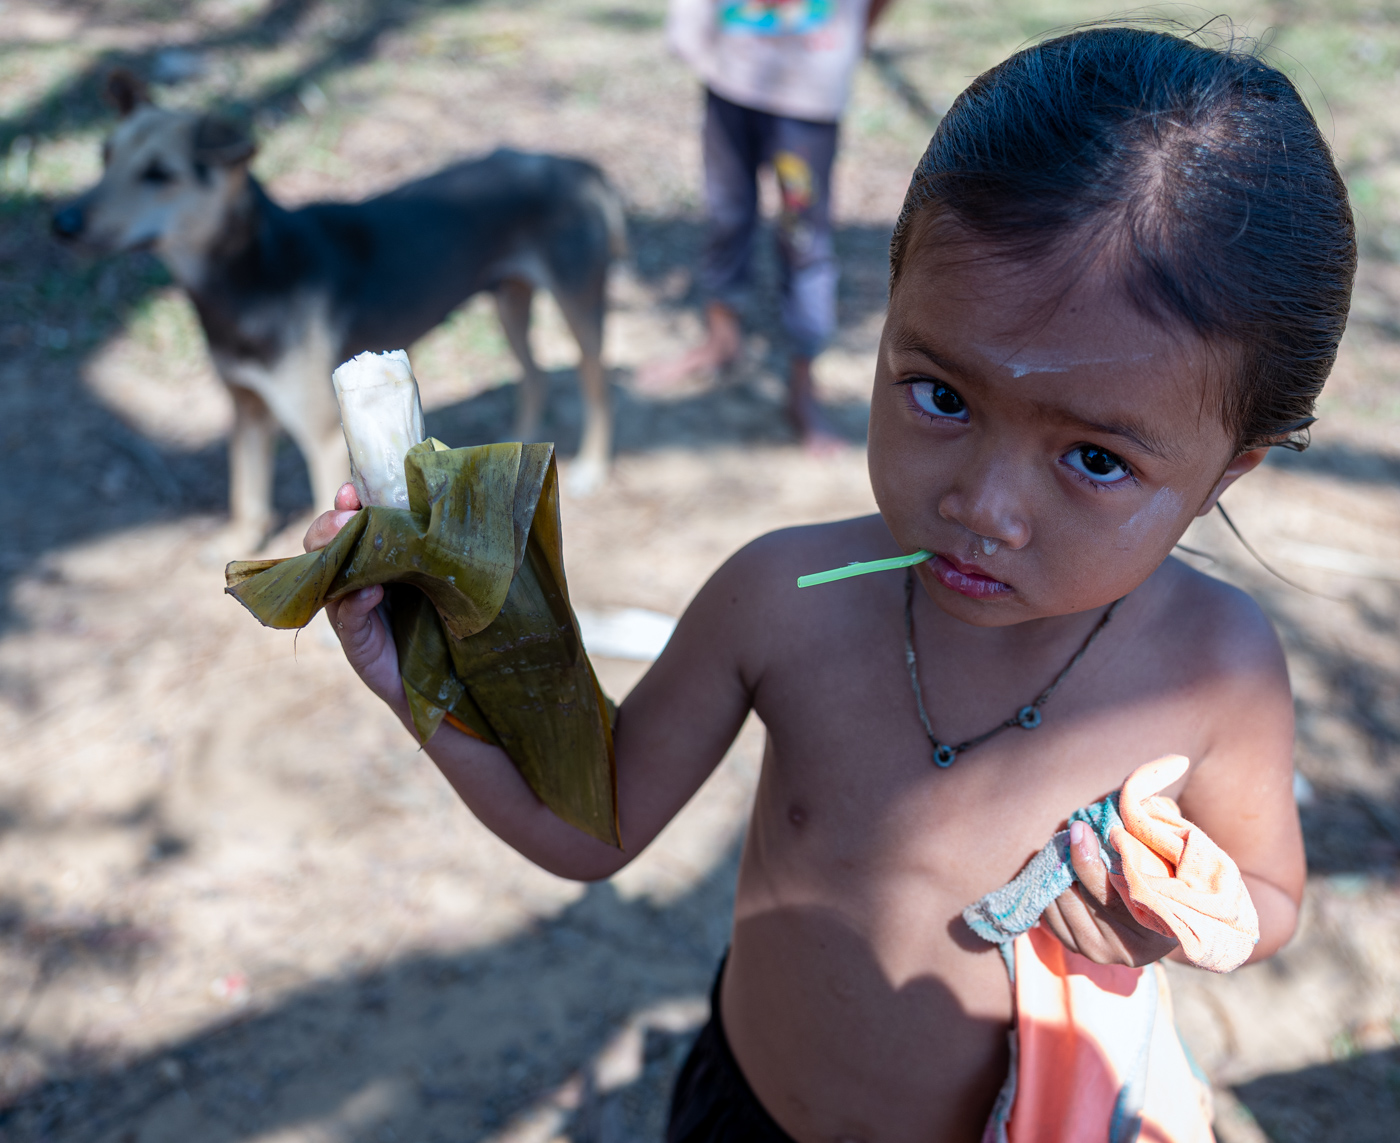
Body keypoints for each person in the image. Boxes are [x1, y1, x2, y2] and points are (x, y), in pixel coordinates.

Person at [306, 27, 1353, 1141]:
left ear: (1223, 471)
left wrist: (1177, 919)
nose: (981, 507)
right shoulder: (782, 597)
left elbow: (1268, 897)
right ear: (887, 314)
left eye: (1095, 460)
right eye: (939, 395)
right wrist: (419, 673)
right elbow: (590, 830)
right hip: (741, 1110)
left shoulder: (1215, 670)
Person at [641, 0, 893, 450]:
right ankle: (720, 343)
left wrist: (853, 35)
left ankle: (803, 384)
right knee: (727, 215)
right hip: (731, 75)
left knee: (802, 238)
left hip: (808, 91)